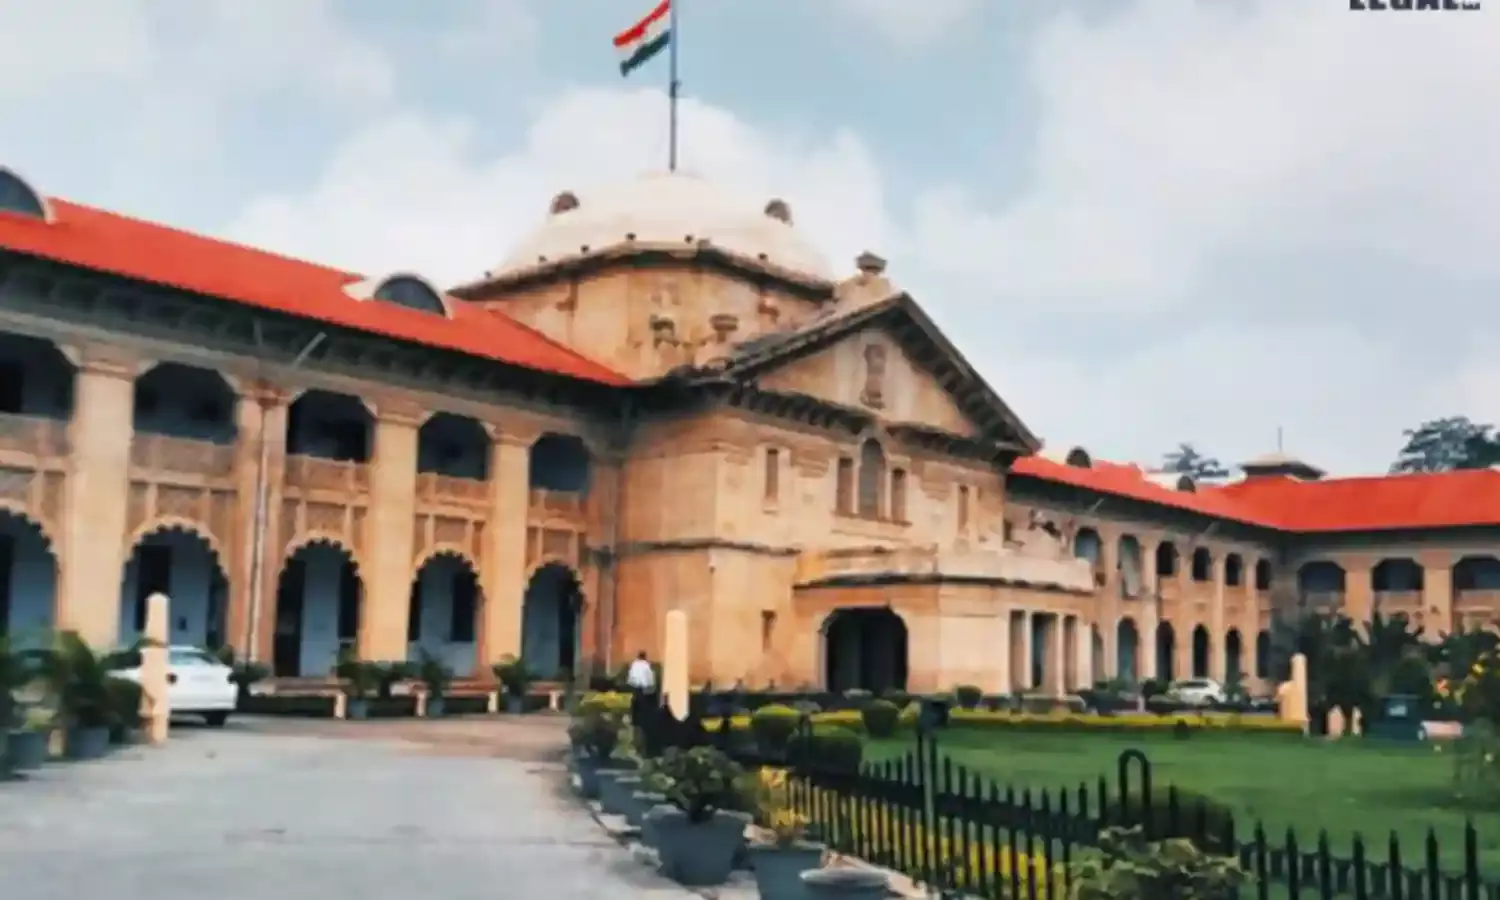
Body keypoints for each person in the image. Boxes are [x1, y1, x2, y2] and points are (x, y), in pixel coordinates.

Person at [626, 650, 656, 730]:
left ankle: (633, 719)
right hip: (642, 687)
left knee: (634, 702)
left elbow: (630, 674)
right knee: (642, 703)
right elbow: (649, 676)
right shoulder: (646, 665)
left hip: (634, 686)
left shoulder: (634, 664)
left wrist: (629, 682)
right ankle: (641, 720)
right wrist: (651, 685)